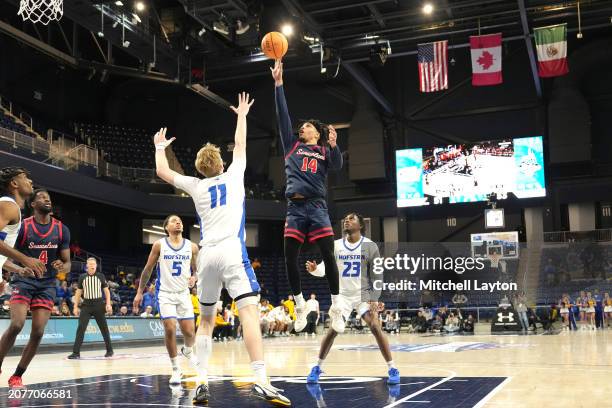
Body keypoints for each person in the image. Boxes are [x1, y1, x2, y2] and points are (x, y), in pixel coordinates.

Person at [153, 92, 290, 406]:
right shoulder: (233, 176)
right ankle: (261, 379)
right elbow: (241, 144)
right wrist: (241, 115)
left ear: (200, 169)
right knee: (250, 314)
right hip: (230, 251)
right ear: (221, 163)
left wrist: (161, 147)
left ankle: (201, 381)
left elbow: (163, 173)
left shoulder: (197, 185)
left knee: (206, 321)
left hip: (207, 255)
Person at [271, 60, 344, 334]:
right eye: (300, 127)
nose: (301, 129)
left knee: (328, 253)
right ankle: (299, 305)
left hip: (317, 207)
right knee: (290, 256)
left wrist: (335, 145)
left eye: (306, 127)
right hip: (295, 207)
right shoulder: (292, 146)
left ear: (316, 131)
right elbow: (282, 115)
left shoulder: (325, 151)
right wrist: (279, 84)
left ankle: (336, 308)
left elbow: (337, 166)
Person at [306, 212, 400, 385]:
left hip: (363, 294)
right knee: (333, 330)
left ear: (361, 225)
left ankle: (392, 368)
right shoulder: (335, 245)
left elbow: (378, 274)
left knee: (375, 326)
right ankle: (317, 367)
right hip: (342, 295)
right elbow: (324, 269)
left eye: (351, 219)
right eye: (345, 219)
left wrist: (374, 297)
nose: (347, 221)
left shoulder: (370, 246)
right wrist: (314, 270)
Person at [0, 184, 66, 389]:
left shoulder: (61, 228)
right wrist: (19, 269)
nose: (48, 200)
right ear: (33, 203)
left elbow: (68, 262)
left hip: (46, 283)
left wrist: (62, 265)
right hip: (24, 281)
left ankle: (17, 376)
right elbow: (4, 257)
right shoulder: (23, 227)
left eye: (49, 197)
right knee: (17, 324)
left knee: (38, 332)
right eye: (43, 197)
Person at [133, 214, 199, 385]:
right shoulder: (159, 245)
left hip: (184, 293)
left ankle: (188, 350)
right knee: (170, 328)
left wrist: (195, 277)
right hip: (165, 293)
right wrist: (140, 292)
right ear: (166, 227)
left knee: (190, 333)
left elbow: (197, 269)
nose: (178, 222)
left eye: (180, 221)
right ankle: (176, 369)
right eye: (173, 221)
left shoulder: (192, 247)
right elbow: (148, 269)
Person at [67, 258, 113, 359]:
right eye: (90, 264)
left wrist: (108, 304)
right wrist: (75, 306)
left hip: (98, 304)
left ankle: (109, 351)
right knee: (81, 328)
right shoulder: (82, 277)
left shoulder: (101, 276)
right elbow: (78, 293)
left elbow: (107, 292)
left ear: (96, 266)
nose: (92, 266)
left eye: (94, 264)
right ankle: (76, 353)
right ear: (87, 266)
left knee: (104, 328)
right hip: (86, 305)